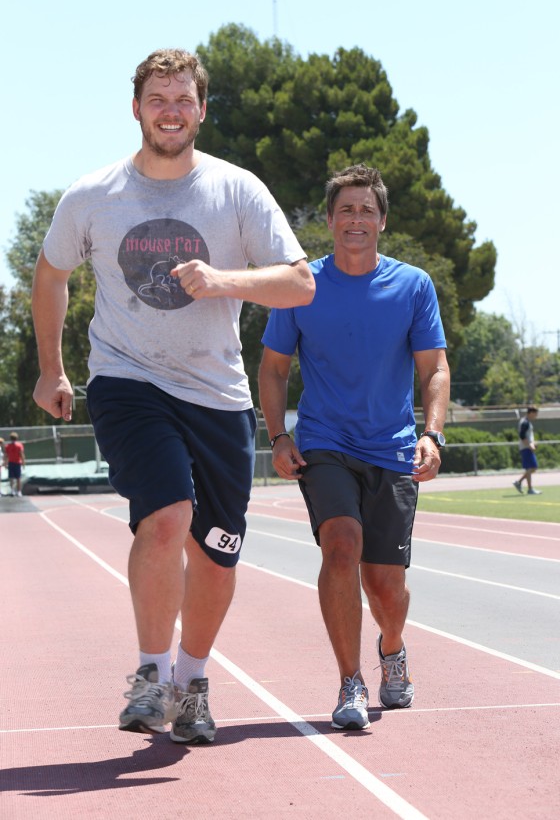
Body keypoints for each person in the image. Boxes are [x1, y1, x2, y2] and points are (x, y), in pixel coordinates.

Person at [31, 48, 315, 744]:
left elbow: (301, 283)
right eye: (158, 99)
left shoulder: (236, 190)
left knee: (216, 554)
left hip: (217, 394)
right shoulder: (93, 194)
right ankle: (151, 674)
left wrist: (224, 281)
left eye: (183, 99)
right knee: (165, 516)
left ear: (201, 110)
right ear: (136, 108)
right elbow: (50, 272)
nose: (170, 111)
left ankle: (192, 679)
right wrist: (51, 368)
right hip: (128, 380)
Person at [258, 164, 450, 731]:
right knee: (340, 546)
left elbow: (435, 368)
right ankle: (350, 681)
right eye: (347, 209)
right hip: (325, 442)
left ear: (382, 220)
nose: (356, 218)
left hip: (391, 447)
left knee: (385, 585)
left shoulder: (413, 285)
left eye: (367, 209)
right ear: (329, 220)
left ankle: (392, 650)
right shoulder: (300, 287)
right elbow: (272, 370)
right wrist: (279, 435)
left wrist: (432, 434)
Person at [513, 406, 541, 495]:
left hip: (527, 447)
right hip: (526, 448)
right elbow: (522, 436)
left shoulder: (527, 422)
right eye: (535, 414)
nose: (536, 416)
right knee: (531, 468)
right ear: (531, 413)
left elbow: (527, 436)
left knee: (532, 468)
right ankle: (529, 489)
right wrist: (529, 445)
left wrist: (533, 443)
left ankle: (519, 482)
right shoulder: (525, 422)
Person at [4, 432, 26, 497]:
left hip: (15, 463)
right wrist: (23, 462)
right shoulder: (8, 446)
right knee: (14, 478)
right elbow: (6, 455)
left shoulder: (18, 445)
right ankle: (15, 491)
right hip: (13, 463)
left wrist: (5, 463)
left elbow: (6, 456)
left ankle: (17, 491)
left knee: (15, 478)